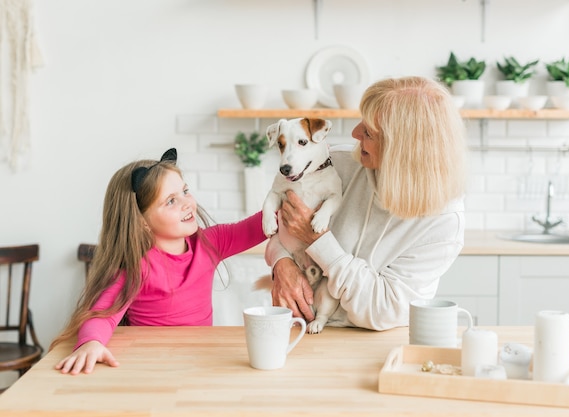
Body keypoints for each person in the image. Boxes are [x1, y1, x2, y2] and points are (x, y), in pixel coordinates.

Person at [266, 76, 466, 330]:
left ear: (401, 150)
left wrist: (318, 241)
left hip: (378, 345)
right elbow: (280, 225)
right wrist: (281, 264)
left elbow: (383, 311)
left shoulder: (444, 223)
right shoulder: (334, 164)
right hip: (300, 330)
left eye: (369, 131)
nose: (354, 133)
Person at [52, 148, 266, 374]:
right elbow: (102, 315)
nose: (186, 203)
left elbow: (260, 226)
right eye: (171, 201)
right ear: (142, 221)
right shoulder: (137, 266)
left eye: (185, 191)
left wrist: (292, 195)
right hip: (152, 367)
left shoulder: (209, 244)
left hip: (199, 362)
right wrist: (91, 343)